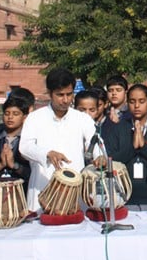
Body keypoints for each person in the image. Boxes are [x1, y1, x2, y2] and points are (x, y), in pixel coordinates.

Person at [19, 67, 99, 212]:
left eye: (69, 94)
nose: (66, 100)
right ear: (50, 93)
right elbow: (24, 147)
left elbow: (94, 143)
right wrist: (47, 154)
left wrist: (99, 157)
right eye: (60, 95)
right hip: (42, 189)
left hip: (75, 191)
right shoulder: (35, 118)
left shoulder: (83, 119)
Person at [105, 84, 147, 209]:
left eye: (141, 101)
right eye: (132, 102)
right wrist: (133, 147)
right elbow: (111, 162)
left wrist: (144, 146)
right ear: (127, 104)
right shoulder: (117, 129)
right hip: (124, 198)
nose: (137, 106)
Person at [0, 94, 31, 192]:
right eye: (7, 113)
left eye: (15, 114)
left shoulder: (29, 139)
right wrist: (1, 164)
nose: (10, 117)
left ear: (25, 117)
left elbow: (32, 174)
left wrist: (13, 165)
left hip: (22, 193)